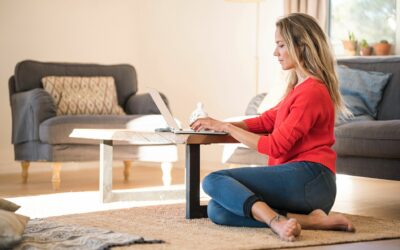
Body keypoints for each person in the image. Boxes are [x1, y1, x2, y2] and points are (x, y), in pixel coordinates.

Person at [190, 13, 355, 242]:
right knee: (218, 210)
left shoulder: (312, 92)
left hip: (311, 180)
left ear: (302, 46)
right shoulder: (299, 88)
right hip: (303, 184)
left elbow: (275, 146)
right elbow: (266, 122)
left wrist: (226, 126)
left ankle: (275, 222)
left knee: (213, 180)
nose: (275, 53)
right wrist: (216, 127)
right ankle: (310, 220)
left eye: (281, 45)